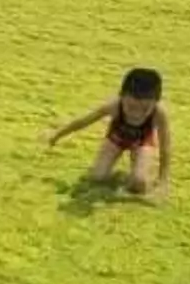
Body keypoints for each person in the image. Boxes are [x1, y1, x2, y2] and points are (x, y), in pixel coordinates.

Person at [45, 67, 173, 198]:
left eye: (145, 109)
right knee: (97, 177)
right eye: (131, 107)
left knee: (140, 183)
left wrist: (163, 180)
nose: (137, 114)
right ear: (122, 96)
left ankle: (131, 179)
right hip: (117, 137)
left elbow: (165, 147)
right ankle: (120, 178)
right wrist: (57, 135)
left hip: (142, 141)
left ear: (156, 101)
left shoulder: (159, 113)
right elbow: (83, 122)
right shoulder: (114, 106)